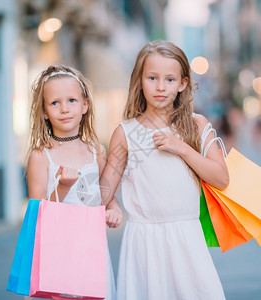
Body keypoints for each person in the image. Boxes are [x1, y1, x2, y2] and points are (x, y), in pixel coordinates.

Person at [100, 40, 229, 299]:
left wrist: (181, 148)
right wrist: (110, 200)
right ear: (140, 80)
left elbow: (221, 178)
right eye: (152, 78)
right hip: (144, 241)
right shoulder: (127, 133)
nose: (161, 87)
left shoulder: (196, 125)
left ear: (182, 83)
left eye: (170, 80)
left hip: (187, 237)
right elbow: (103, 192)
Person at [26, 65, 122, 299]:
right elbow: (35, 216)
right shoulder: (40, 156)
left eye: (71, 100)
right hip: (59, 251)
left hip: (93, 249)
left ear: (85, 105)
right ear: (45, 111)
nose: (64, 109)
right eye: (55, 103)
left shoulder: (96, 152)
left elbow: (104, 194)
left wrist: (114, 208)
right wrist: (62, 187)